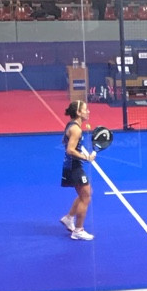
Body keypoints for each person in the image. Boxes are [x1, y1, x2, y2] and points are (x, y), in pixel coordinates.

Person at [56, 100, 96, 240]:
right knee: (86, 197)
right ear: (78, 112)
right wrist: (87, 157)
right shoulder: (76, 129)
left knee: (85, 194)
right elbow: (70, 150)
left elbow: (67, 143)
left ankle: (69, 218)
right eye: (85, 109)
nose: (88, 111)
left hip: (72, 166)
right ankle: (78, 230)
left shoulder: (72, 125)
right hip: (74, 167)